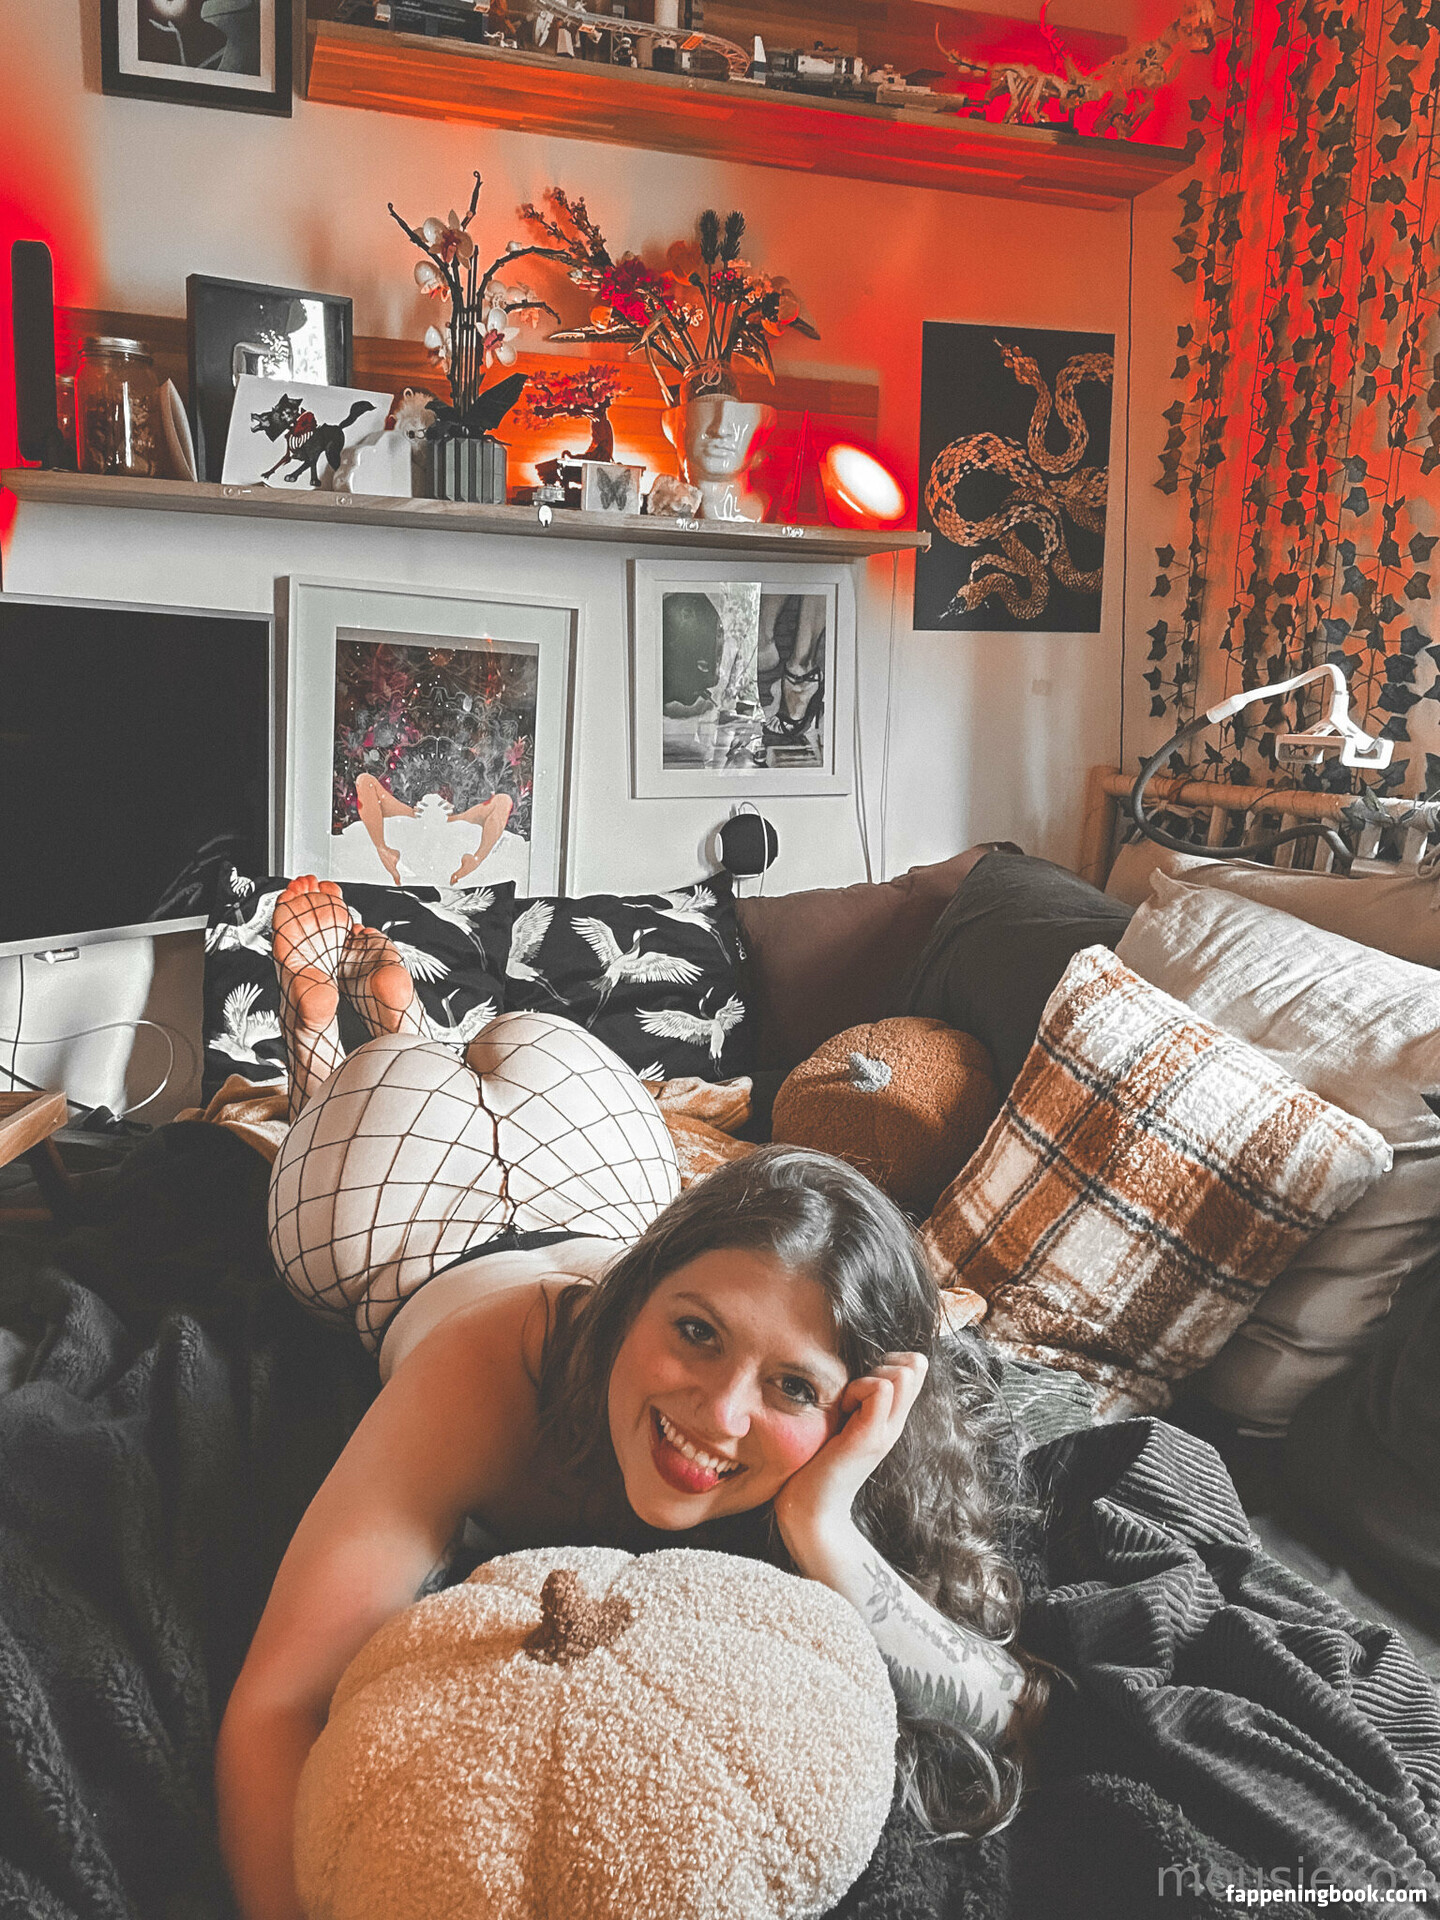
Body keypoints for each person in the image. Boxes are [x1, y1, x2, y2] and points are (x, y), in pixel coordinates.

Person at [216, 879, 1046, 1920]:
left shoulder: (831, 1447)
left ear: (854, 1410)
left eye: (792, 1385)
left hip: (593, 1163)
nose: (719, 1415)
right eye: (696, 1333)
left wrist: (829, 1530)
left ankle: (396, 1022)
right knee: (350, 1115)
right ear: (634, 1295)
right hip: (406, 1211)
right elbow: (276, 1709)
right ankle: (335, 1053)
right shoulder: (485, 1371)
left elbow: (1010, 1708)